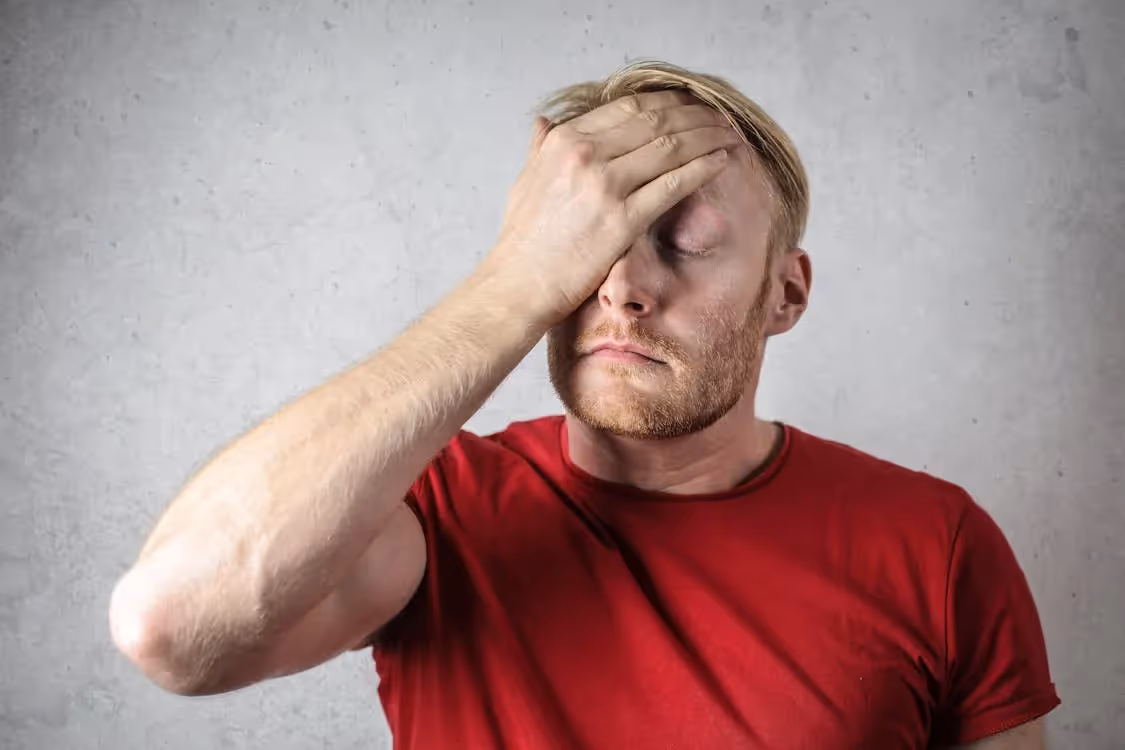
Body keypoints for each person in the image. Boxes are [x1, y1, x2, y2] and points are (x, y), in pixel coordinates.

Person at [109, 61, 1060, 749]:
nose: (621, 288)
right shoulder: (432, 513)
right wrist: (514, 281)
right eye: (584, 246)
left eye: (685, 240)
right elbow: (171, 629)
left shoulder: (934, 541)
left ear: (786, 294)